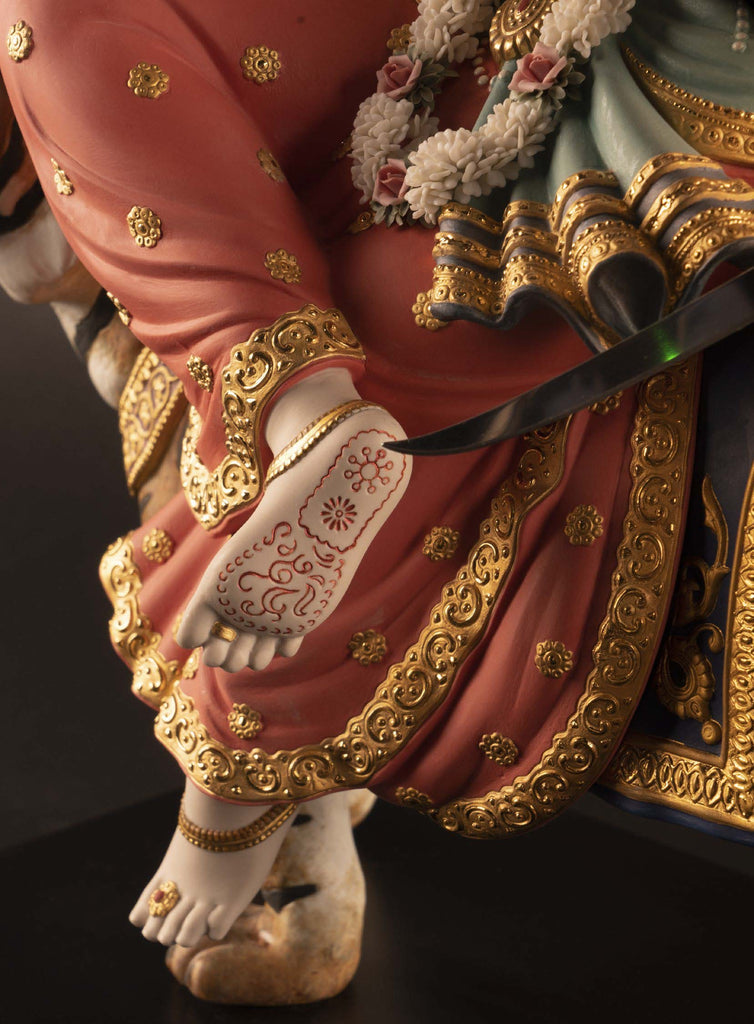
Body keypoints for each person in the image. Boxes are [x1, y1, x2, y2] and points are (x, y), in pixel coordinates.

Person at [2, 0, 753, 994]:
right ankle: (303, 409)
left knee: (412, 314)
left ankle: (242, 768)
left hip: (659, 70)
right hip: (443, 35)